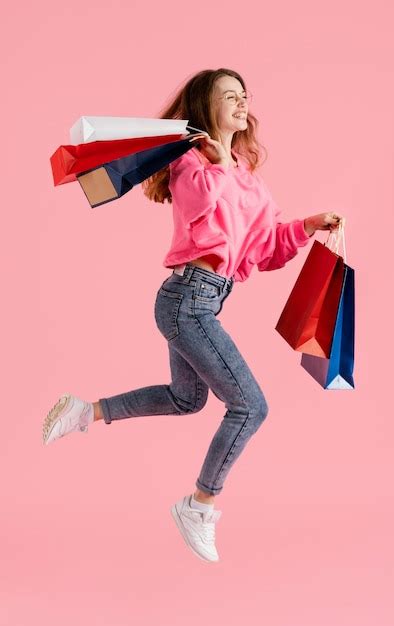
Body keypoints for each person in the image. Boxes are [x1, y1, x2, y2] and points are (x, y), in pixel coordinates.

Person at [42, 68, 344, 563]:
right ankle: (199, 505)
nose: (242, 103)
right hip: (187, 298)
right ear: (207, 108)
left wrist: (309, 225)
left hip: (203, 299)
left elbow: (265, 247)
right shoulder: (190, 161)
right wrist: (220, 162)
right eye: (230, 96)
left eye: (245, 95)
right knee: (251, 406)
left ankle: (84, 411)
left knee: (187, 400)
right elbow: (201, 206)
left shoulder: (248, 177)